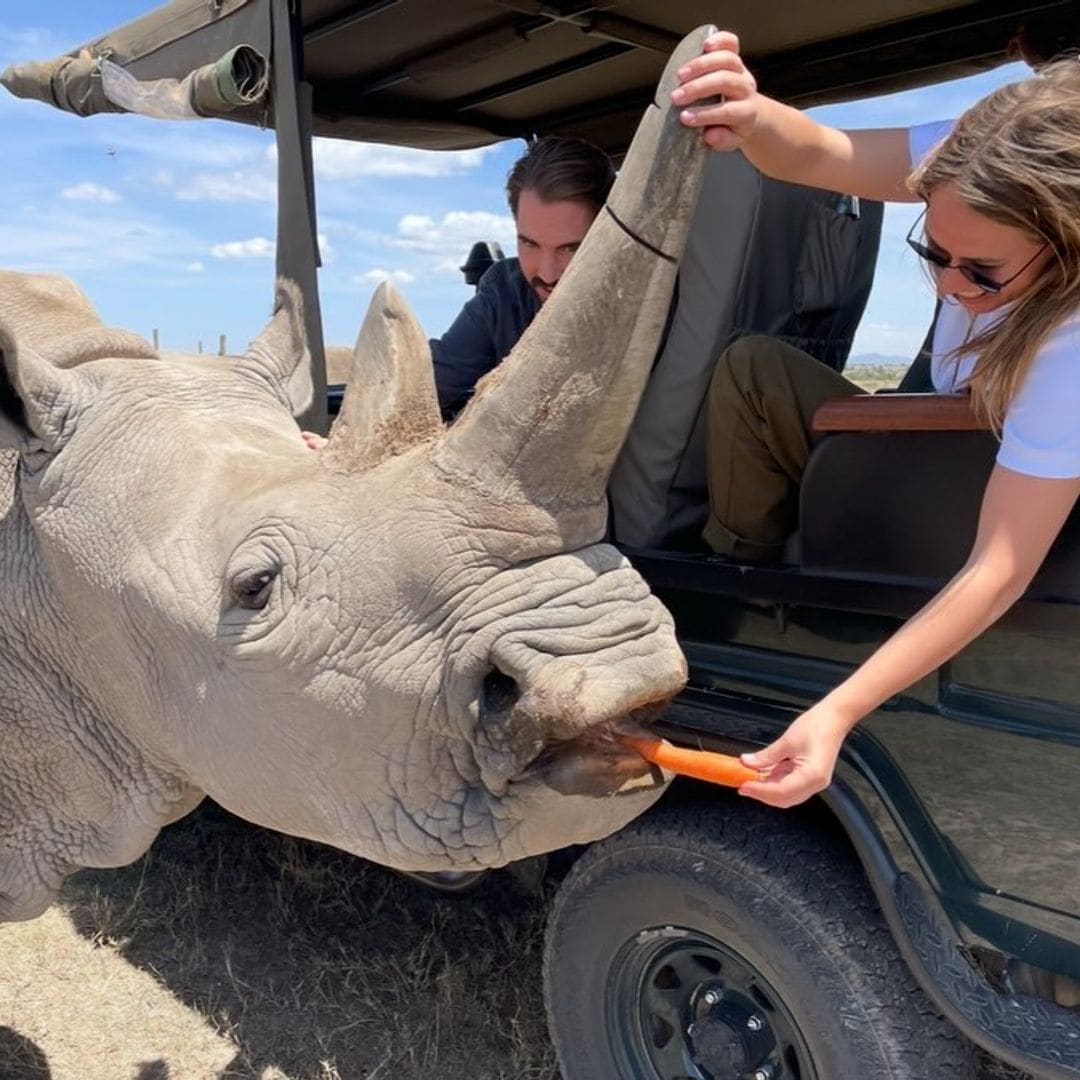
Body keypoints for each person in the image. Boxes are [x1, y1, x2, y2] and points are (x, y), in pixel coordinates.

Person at [671, 31, 1080, 808]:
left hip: (951, 491)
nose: (949, 285)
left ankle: (749, 611)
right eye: (934, 251)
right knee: (755, 369)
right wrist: (753, 115)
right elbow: (824, 154)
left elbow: (998, 567)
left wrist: (837, 711)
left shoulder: (1071, 346)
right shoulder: (982, 149)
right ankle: (740, 574)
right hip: (927, 440)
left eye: (982, 271)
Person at [430, 135, 615, 420]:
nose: (547, 273)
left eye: (570, 249)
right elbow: (430, 389)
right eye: (529, 244)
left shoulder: (655, 300)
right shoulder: (504, 291)